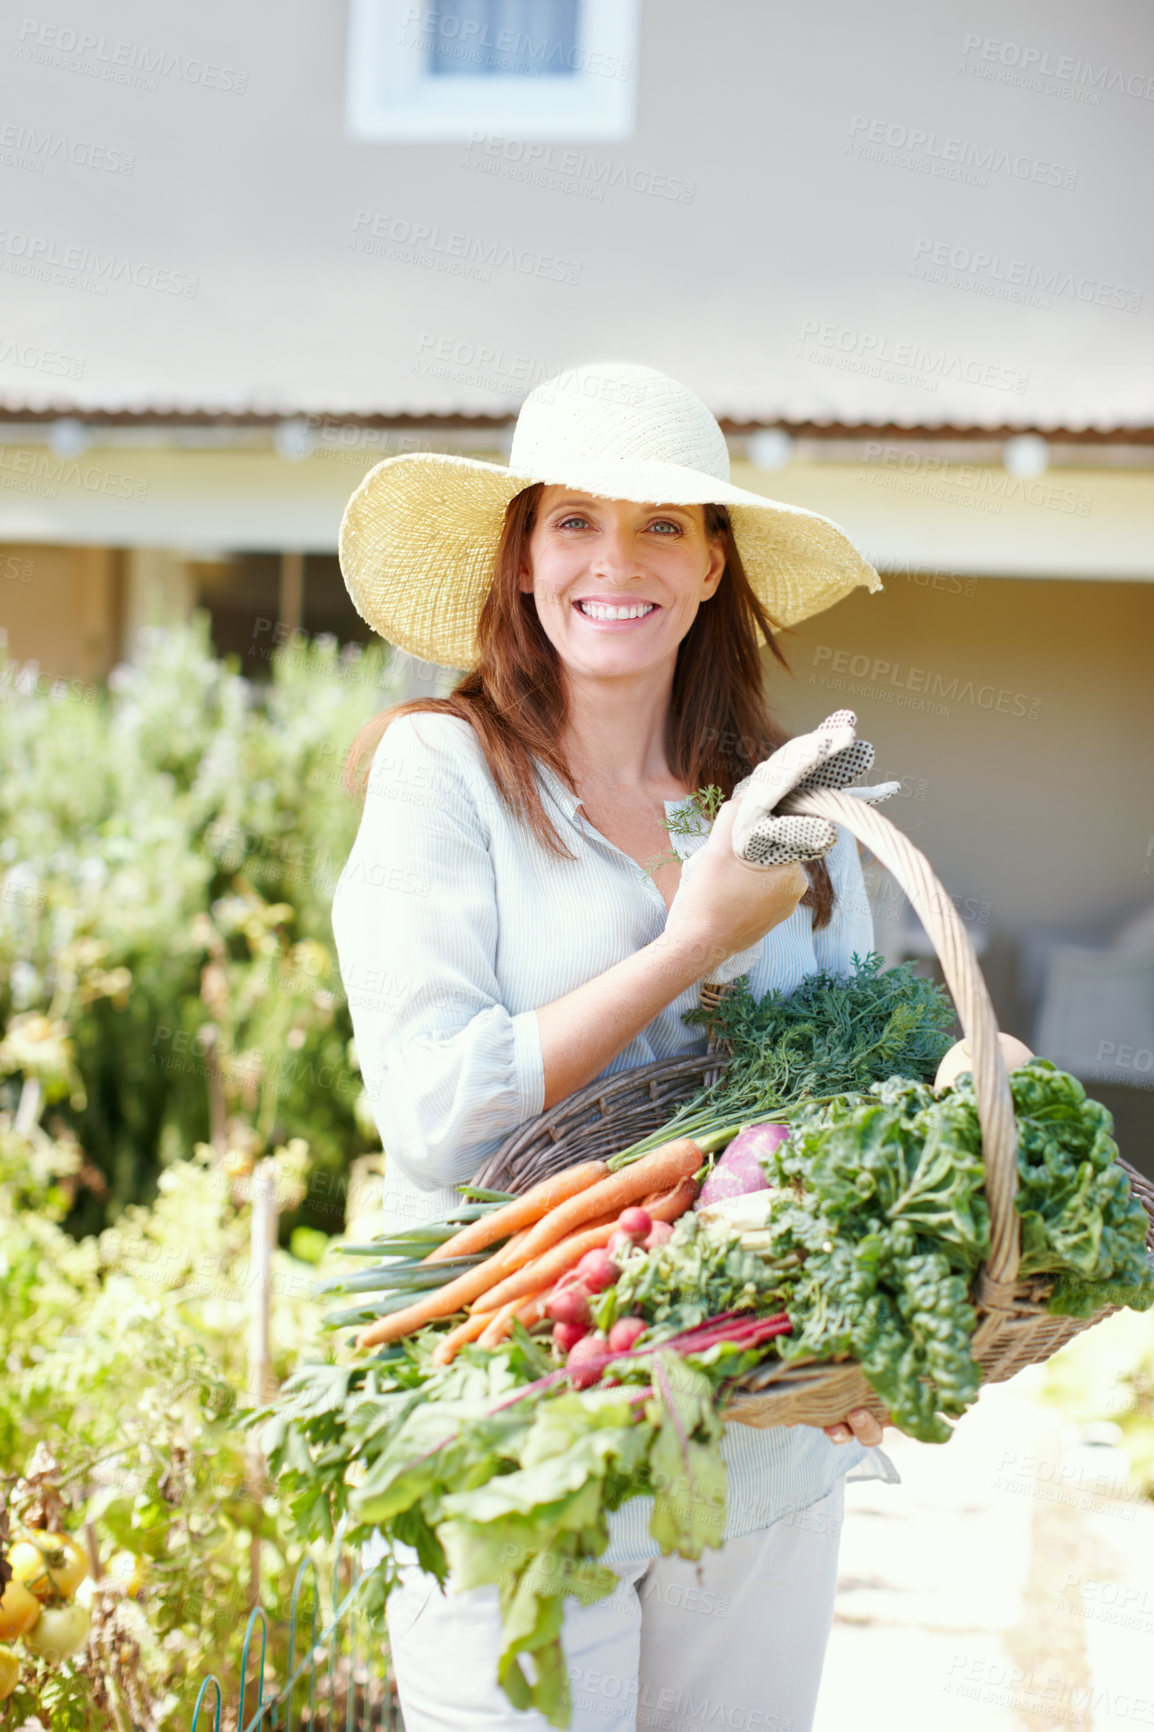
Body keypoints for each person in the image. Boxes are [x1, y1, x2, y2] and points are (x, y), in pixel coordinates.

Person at [331, 361, 899, 1731]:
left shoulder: (794, 811)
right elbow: (434, 1113)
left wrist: (872, 1307)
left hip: (753, 1425)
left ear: (713, 568)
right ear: (522, 557)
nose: (615, 561)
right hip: (509, 1394)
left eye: (661, 527)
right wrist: (687, 941)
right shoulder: (441, 774)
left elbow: (864, 1098)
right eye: (575, 521)